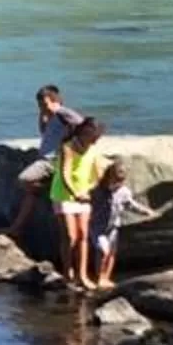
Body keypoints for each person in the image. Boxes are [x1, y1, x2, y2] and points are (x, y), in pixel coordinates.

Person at [7, 84, 87, 250]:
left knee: (23, 180)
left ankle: (46, 188)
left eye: (44, 103)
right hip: (46, 159)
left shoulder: (62, 112)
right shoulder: (52, 117)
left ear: (55, 101)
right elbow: (45, 133)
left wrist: (71, 142)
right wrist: (43, 115)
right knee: (30, 194)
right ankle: (16, 228)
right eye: (39, 105)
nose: (41, 107)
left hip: (51, 161)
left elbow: (83, 123)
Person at [48, 116, 106, 286]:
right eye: (92, 136)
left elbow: (98, 174)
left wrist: (92, 190)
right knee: (70, 236)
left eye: (97, 137)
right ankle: (67, 273)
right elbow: (65, 174)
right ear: (83, 132)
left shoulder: (93, 150)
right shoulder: (67, 147)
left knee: (83, 235)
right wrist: (75, 193)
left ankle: (82, 275)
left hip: (84, 194)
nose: (94, 140)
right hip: (64, 194)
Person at [86, 159, 134, 289]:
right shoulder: (98, 190)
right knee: (103, 251)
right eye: (115, 181)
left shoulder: (124, 191)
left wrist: (145, 211)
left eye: (121, 182)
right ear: (108, 177)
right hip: (97, 227)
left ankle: (106, 277)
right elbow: (87, 197)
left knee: (112, 252)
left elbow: (130, 204)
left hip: (113, 227)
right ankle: (100, 277)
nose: (118, 184)